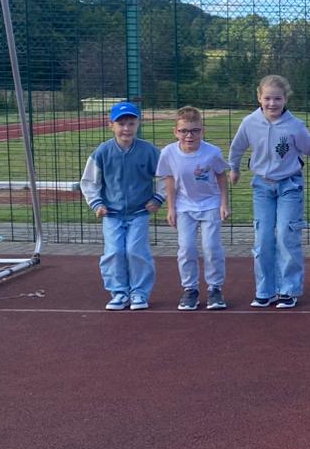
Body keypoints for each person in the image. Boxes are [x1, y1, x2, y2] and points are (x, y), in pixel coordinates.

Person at [228, 75, 310, 309]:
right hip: (262, 187)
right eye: (267, 98)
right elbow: (237, 147)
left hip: (289, 185)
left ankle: (288, 289)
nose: (272, 103)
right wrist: (234, 169)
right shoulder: (249, 122)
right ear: (259, 97)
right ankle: (265, 290)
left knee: (286, 235)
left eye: (277, 99)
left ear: (285, 99)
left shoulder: (295, 126)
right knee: (263, 237)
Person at [80, 100, 163, 311]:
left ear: (138, 124)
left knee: (136, 251)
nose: (126, 128)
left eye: (131, 123)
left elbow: (166, 176)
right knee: (114, 252)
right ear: (111, 125)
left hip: (139, 212)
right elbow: (89, 181)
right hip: (111, 213)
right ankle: (119, 292)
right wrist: (96, 203)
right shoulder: (102, 152)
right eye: (121, 124)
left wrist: (158, 198)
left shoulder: (149, 151)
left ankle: (139, 292)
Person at [155, 105, 230, 312]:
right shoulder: (168, 153)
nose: (189, 136)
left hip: (210, 204)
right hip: (184, 206)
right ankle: (190, 289)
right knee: (186, 248)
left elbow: (221, 175)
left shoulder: (212, 152)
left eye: (195, 131)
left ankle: (215, 288)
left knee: (211, 247)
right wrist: (171, 208)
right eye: (184, 131)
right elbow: (169, 180)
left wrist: (224, 203)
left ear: (202, 130)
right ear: (175, 132)